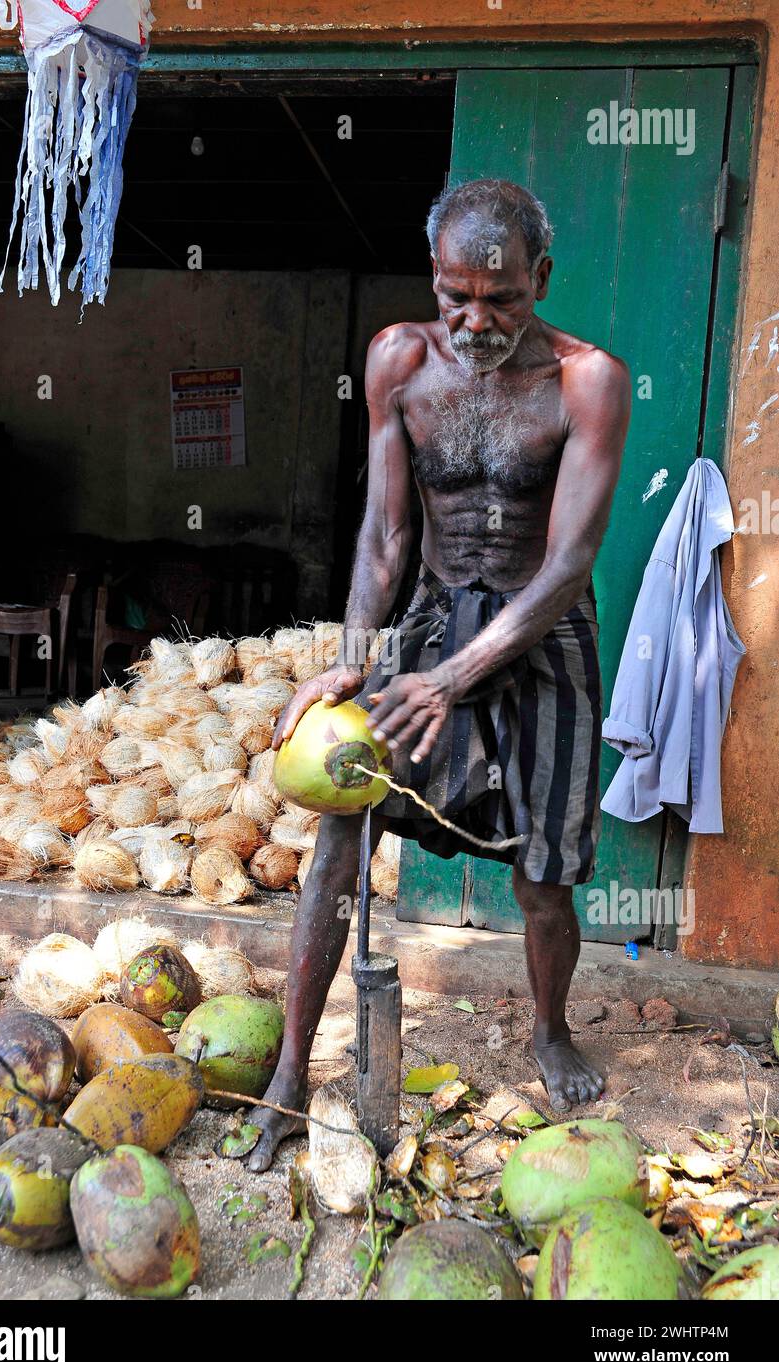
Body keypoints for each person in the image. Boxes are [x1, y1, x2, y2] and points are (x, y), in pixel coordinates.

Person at [246, 178, 631, 1172]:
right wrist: (357, 661)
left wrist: (452, 679)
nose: (475, 319)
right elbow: (384, 536)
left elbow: (568, 564)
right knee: (340, 827)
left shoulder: (588, 381)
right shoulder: (398, 360)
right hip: (423, 628)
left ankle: (547, 1028)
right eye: (457, 294)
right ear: (434, 278)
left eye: (501, 299)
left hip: (536, 638)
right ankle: (291, 1067)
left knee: (544, 876)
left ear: (540, 279)